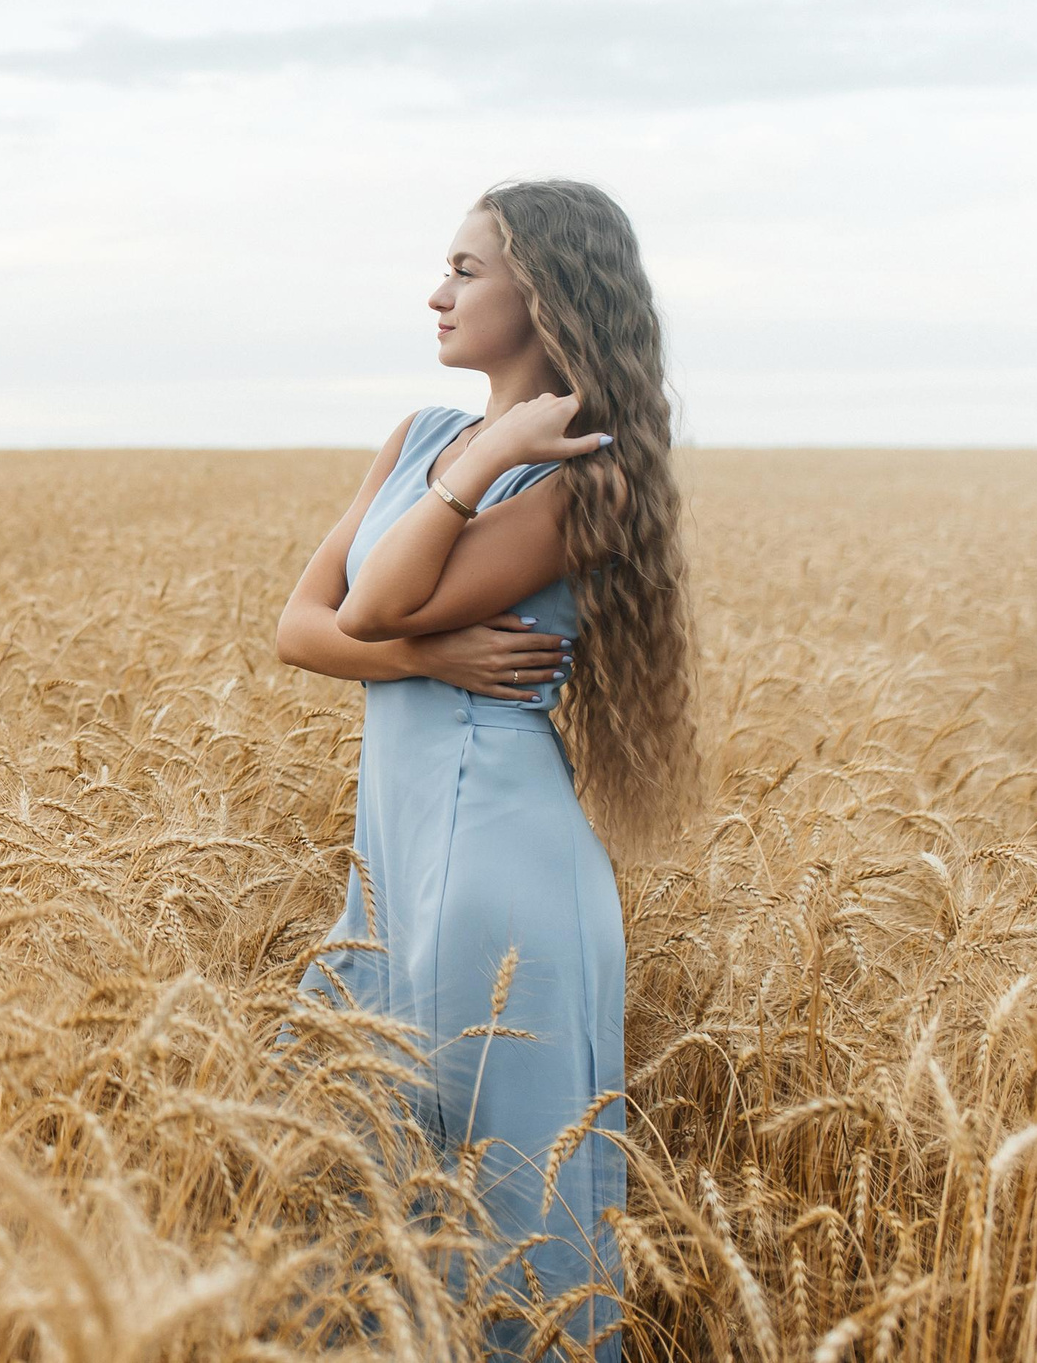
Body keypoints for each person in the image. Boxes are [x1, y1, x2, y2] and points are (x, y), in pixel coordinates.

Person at [275, 179, 695, 1360]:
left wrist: (498, 453)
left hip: (491, 867)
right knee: (346, 1170)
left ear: (545, 290)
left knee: (507, 1225)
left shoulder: (577, 471)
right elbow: (298, 629)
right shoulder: (417, 434)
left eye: (466, 270)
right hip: (394, 867)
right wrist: (430, 655)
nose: (436, 291)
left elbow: (370, 601)